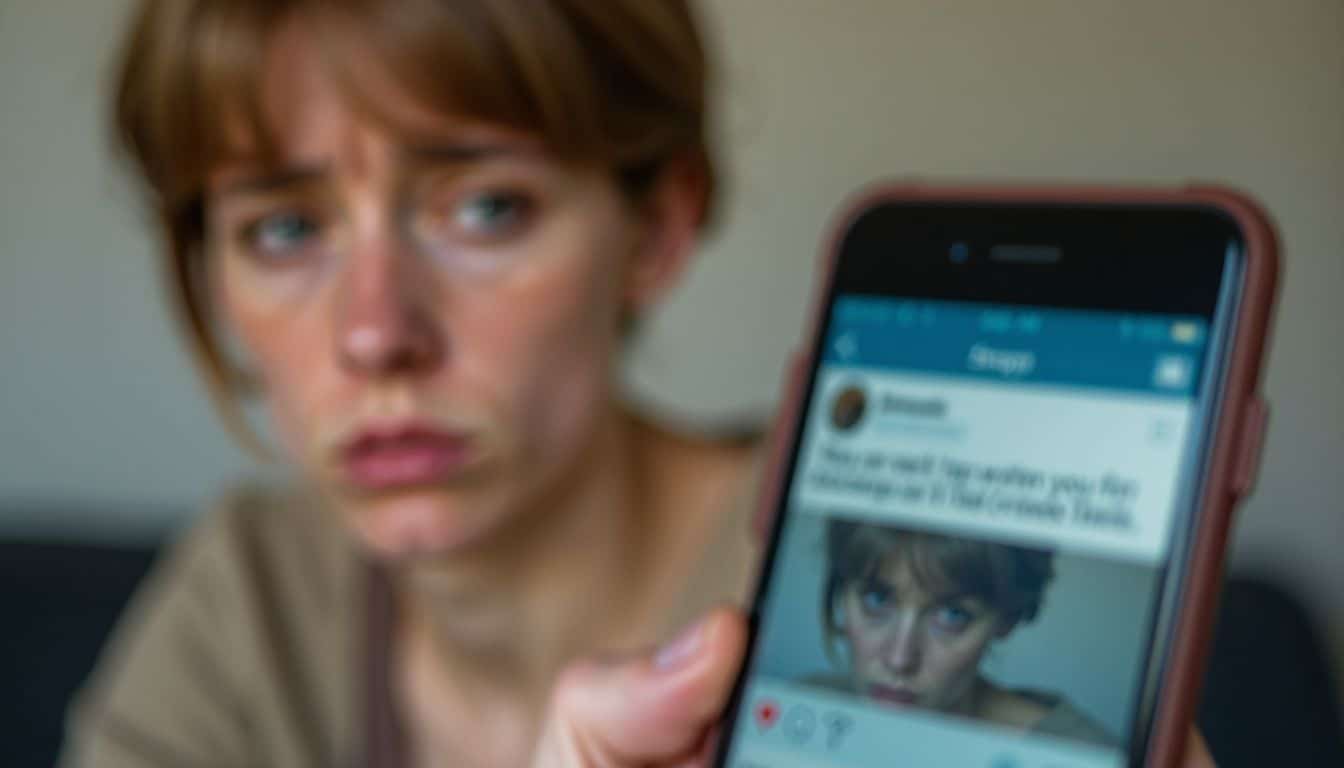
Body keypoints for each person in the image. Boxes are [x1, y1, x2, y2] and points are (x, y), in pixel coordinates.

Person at [62, 1, 1217, 766]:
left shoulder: (887, 546)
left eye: (484, 207)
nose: (375, 332)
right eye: (282, 228)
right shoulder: (246, 592)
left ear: (659, 224)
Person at [819, 519, 1114, 747]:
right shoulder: (807, 704)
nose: (899, 659)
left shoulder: (1080, 753)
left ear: (1006, 621)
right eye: (877, 600)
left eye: (952, 615)